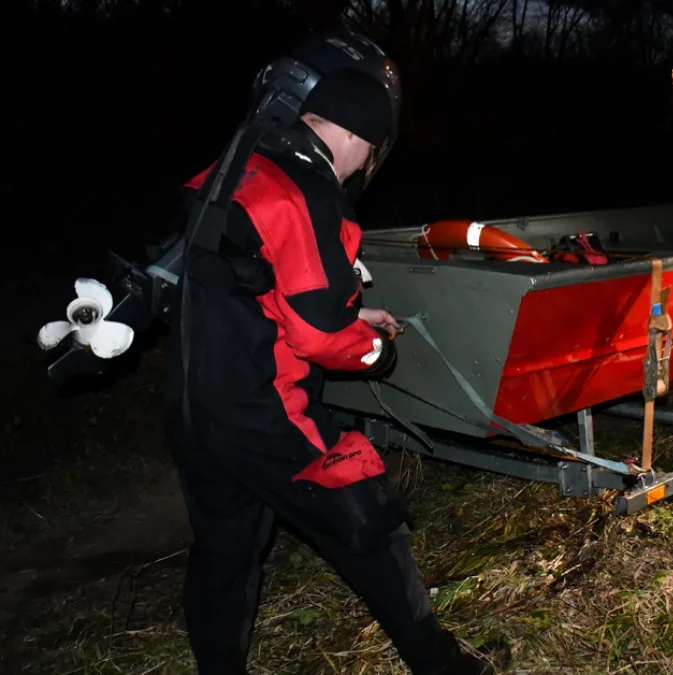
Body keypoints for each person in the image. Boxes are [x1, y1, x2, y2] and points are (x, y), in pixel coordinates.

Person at [162, 32, 492, 675]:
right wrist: (375, 349)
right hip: (267, 413)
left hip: (196, 409)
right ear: (359, 127)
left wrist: (346, 311)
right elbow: (319, 340)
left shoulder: (234, 169)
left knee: (226, 552)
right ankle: (445, 667)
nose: (365, 163)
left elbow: (252, 282)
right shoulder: (305, 191)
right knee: (371, 523)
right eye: (372, 146)